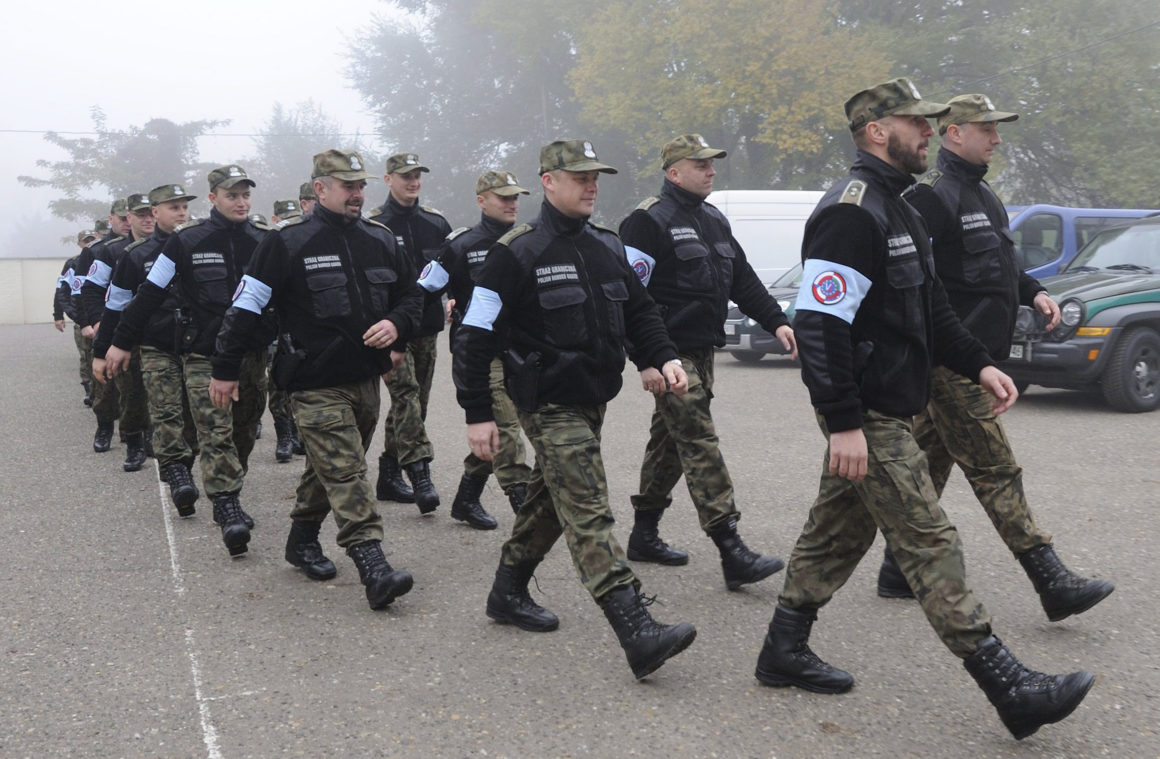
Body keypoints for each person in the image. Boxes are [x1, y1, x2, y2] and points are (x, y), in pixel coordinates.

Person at [752, 79, 1094, 740]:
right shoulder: (850, 212)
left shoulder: (902, 207)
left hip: (890, 403)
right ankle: (1011, 686)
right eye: (917, 121)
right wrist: (844, 421)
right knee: (929, 538)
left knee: (839, 529)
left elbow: (932, 309)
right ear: (877, 131)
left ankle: (782, 649)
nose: (930, 131)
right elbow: (820, 327)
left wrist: (981, 363)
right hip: (868, 410)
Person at [454, 139, 697, 679]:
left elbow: (641, 312)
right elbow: (473, 337)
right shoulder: (516, 252)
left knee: (549, 500)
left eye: (596, 177)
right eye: (580, 176)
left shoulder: (606, 247)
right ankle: (635, 626)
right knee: (587, 508)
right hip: (547, 402)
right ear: (548, 181)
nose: (591, 186)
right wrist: (478, 412)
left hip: (593, 401)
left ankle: (507, 592)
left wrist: (661, 357)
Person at [873, 94, 1116, 620]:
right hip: (953, 359)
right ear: (954, 134)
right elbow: (916, 281)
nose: (997, 138)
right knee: (995, 467)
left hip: (981, 354)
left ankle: (898, 569)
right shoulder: (931, 198)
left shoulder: (983, 195)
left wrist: (1033, 292)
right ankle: (1050, 579)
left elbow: (1001, 264)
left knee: (932, 457)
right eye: (988, 128)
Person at [212, 149, 423, 610]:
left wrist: (396, 324)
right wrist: (225, 368)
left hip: (366, 379)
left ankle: (301, 539)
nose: (357, 194)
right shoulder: (285, 243)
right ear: (321, 189)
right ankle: (373, 564)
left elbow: (411, 296)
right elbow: (246, 306)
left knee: (329, 467)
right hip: (312, 382)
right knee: (347, 470)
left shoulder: (380, 239)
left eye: (361, 186)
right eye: (347, 186)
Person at [619, 134, 793, 589]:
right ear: (674, 172)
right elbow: (627, 298)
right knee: (698, 439)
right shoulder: (646, 221)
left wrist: (776, 322)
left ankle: (643, 533)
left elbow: (743, 279)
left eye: (713, 163)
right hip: (668, 354)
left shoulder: (714, 219)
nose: (711, 170)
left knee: (671, 443)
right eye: (701, 164)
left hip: (702, 352)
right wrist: (645, 359)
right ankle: (730, 546)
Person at [107, 168, 269, 557]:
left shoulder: (266, 242)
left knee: (245, 427)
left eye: (245, 195)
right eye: (232, 195)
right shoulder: (186, 242)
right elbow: (147, 294)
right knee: (216, 430)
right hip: (204, 354)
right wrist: (117, 344)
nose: (241, 202)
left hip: (252, 352)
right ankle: (226, 506)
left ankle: (232, 484)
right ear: (213, 198)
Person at [429, 170, 535, 529]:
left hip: (520, 351)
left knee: (498, 427)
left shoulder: (527, 241)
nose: (512, 203)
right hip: (479, 353)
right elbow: (422, 291)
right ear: (481, 201)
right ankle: (528, 509)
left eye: (515, 196)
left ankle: (466, 498)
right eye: (504, 197)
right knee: (505, 427)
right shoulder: (461, 245)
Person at [96, 184, 201, 515]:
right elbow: (116, 306)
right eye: (174, 207)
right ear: (155, 213)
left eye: (184, 207)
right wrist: (104, 350)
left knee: (195, 421)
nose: (182, 213)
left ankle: (182, 465)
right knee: (166, 413)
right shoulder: (135, 255)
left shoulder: (203, 246)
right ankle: (179, 476)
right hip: (156, 345)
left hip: (198, 347)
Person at [370, 153, 451, 512]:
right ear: (389, 180)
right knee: (406, 398)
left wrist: (456, 298)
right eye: (405, 176)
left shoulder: (435, 223)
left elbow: (454, 266)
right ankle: (420, 473)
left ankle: (388, 474)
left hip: (427, 329)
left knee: (418, 405)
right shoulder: (374, 226)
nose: (412, 181)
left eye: (417, 175)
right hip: (391, 331)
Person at [91, 193, 154, 472]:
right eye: (141, 215)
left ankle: (154, 437)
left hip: (159, 333)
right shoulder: (113, 251)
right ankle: (132, 441)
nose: (148, 219)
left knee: (161, 394)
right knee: (130, 393)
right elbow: (91, 291)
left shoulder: (170, 247)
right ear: (129, 218)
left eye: (151, 213)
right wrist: (96, 323)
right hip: (122, 333)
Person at [76, 199, 130, 453]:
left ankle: (139, 434)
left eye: (131, 217)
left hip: (136, 326)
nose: (127, 223)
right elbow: (85, 291)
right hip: (106, 324)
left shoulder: (150, 246)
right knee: (106, 384)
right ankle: (105, 426)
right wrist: (93, 322)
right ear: (112, 219)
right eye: (122, 218)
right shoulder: (97, 250)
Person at [266, 198, 307, 462]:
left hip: (296, 325)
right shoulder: (270, 242)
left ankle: (299, 432)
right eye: (285, 217)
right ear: (275, 218)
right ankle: (284, 435)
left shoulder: (301, 241)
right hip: (272, 325)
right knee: (276, 383)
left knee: (300, 382)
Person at [55, 230, 97, 406]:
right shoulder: (72, 263)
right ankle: (89, 391)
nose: (88, 243)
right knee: (86, 355)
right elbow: (61, 290)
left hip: (100, 318)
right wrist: (60, 314)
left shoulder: (103, 258)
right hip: (82, 319)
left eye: (92, 240)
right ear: (80, 244)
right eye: (85, 241)